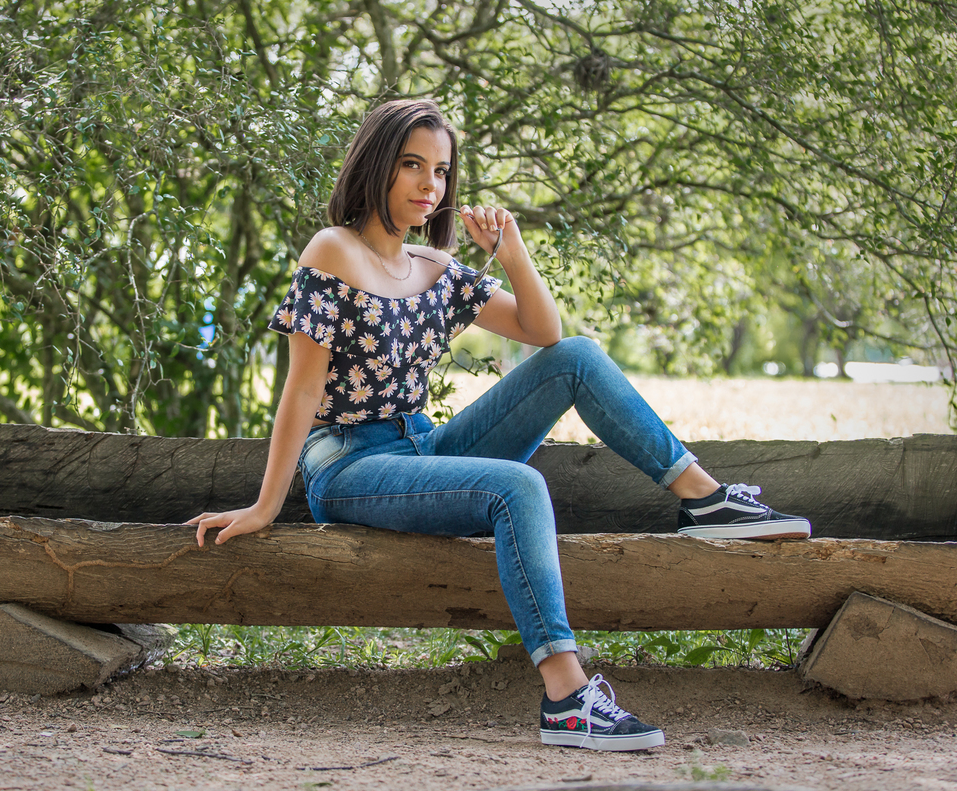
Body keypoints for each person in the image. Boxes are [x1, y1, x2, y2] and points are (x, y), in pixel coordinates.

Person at [185, 98, 810, 752]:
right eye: (412, 165)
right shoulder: (332, 251)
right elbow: (303, 388)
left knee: (577, 357)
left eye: (442, 171)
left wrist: (511, 251)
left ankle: (704, 500)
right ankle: (567, 699)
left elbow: (544, 332)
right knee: (518, 486)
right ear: (376, 164)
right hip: (347, 465)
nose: (431, 185)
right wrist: (266, 506)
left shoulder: (432, 268)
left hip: (421, 446)